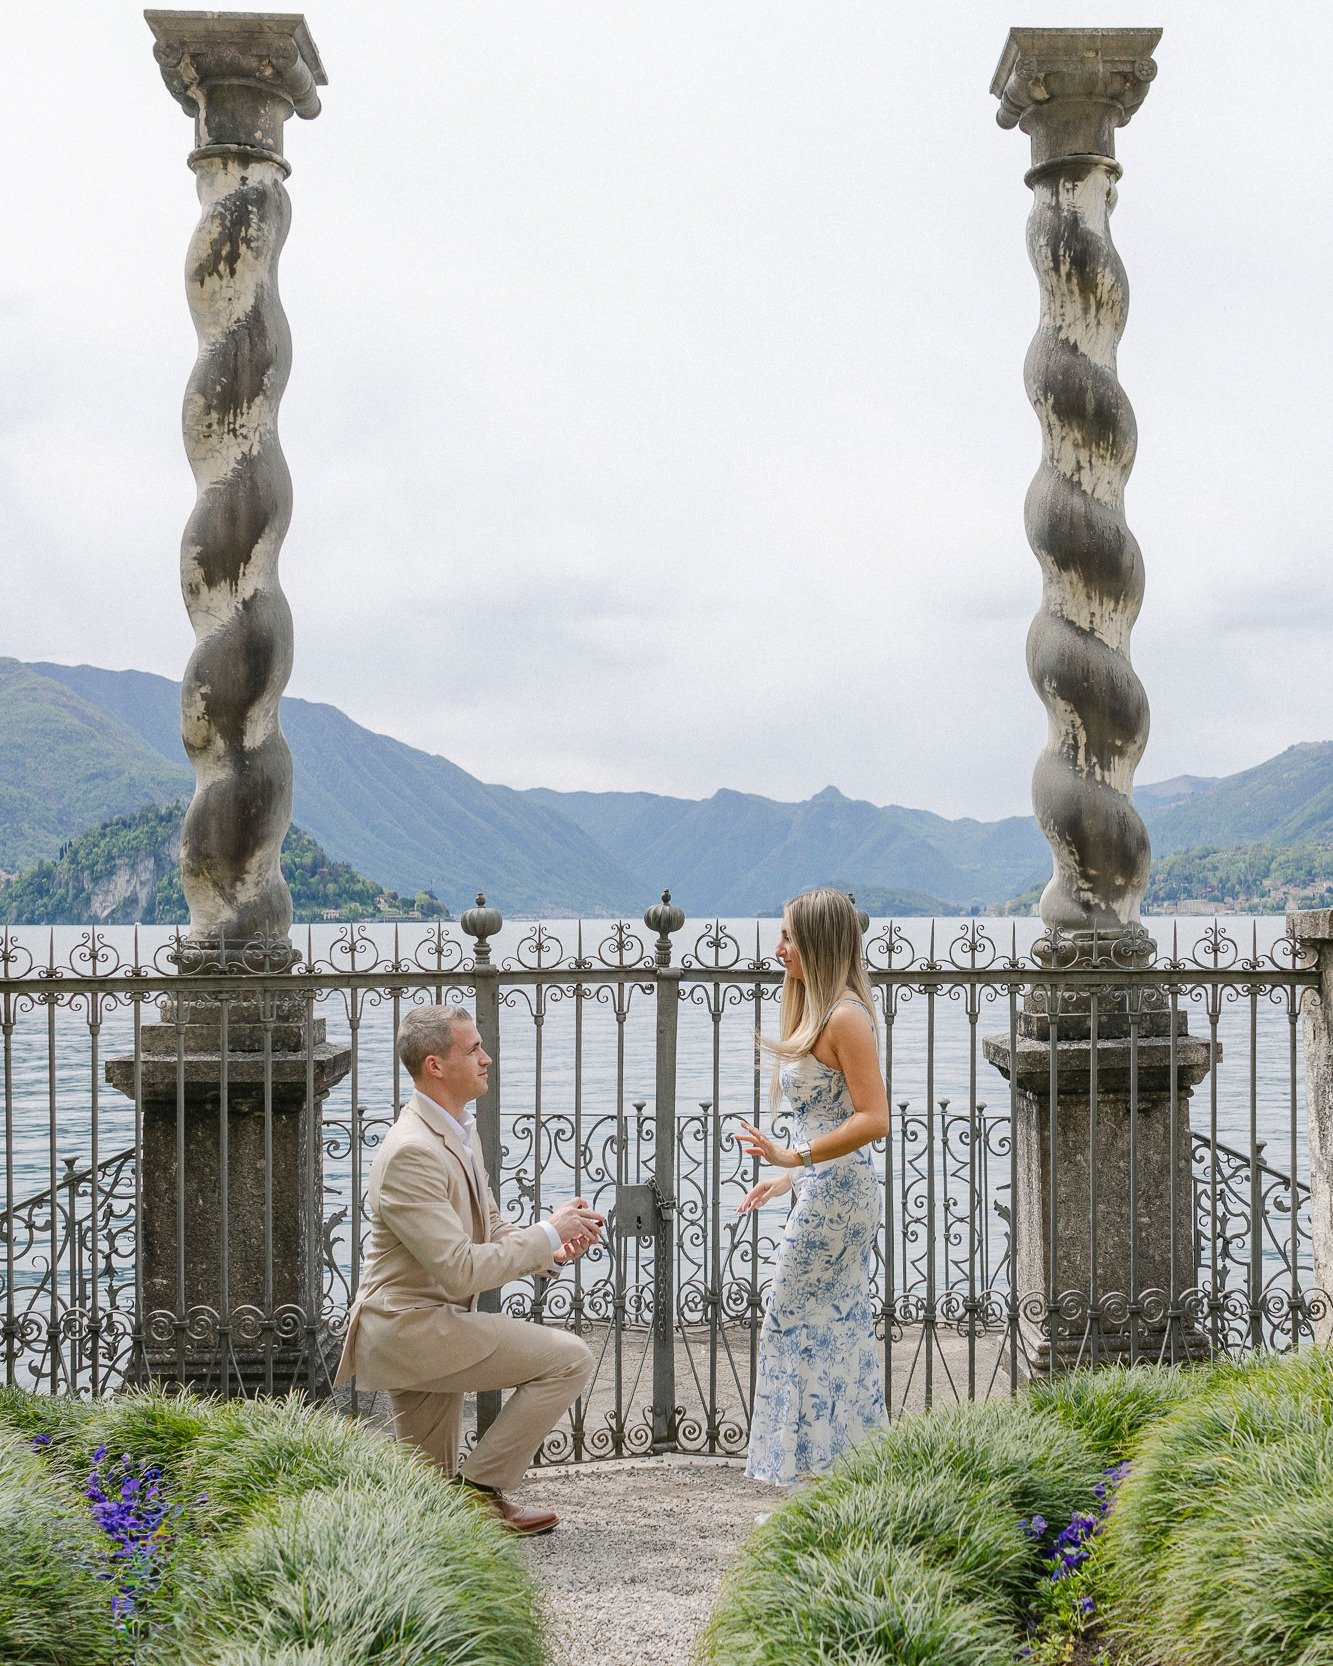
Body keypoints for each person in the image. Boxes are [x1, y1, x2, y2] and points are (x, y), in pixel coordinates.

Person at [334, 1003, 603, 1534]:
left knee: (426, 1503)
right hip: (412, 1328)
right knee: (569, 1359)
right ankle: (480, 1492)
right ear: (436, 1065)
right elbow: (459, 1269)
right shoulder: (412, 1151)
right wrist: (548, 1232)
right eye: (473, 1049)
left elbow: (493, 1231)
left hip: (430, 1323)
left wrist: (550, 1249)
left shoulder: (456, 1131)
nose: (487, 1058)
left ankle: (415, 1545)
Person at [736, 887, 889, 1488]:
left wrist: (793, 1154)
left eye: (787, 939)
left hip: (838, 1196)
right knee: (834, 1322)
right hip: (824, 1188)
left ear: (818, 945)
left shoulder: (846, 1018)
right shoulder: (821, 1012)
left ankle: (805, 1471)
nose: (777, 949)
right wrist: (788, 1176)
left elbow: (873, 1119)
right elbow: (831, 1122)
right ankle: (839, 1469)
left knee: (789, 1317)